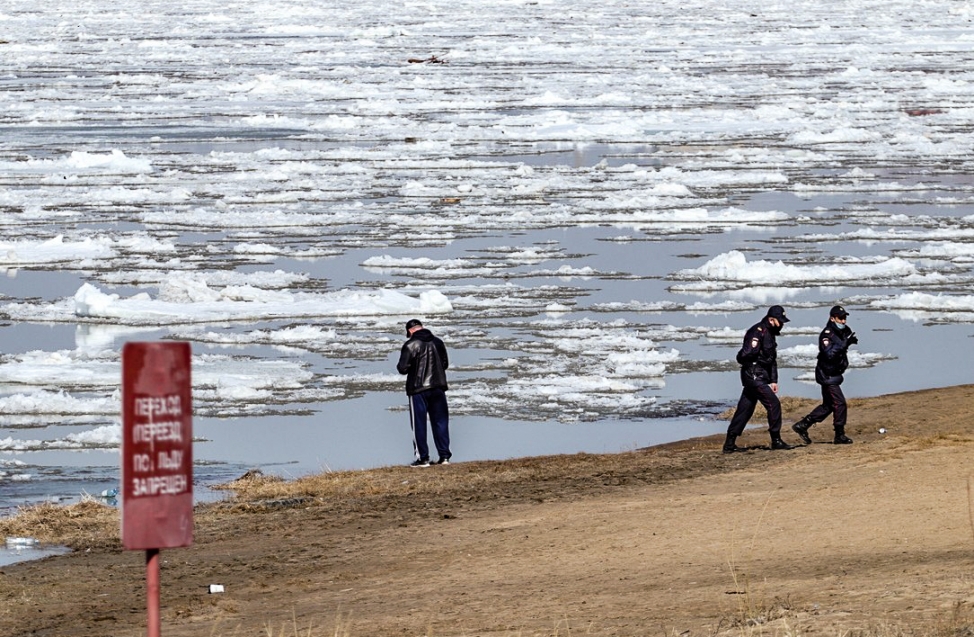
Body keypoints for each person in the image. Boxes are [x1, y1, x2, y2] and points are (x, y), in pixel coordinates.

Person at [723, 305, 795, 454]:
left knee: (745, 409)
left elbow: (772, 359)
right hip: (754, 375)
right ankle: (776, 440)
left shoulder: (770, 333)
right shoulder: (758, 331)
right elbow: (746, 353)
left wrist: (774, 380)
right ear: (771, 319)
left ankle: (729, 444)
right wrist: (753, 363)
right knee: (773, 404)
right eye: (779, 321)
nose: (781, 324)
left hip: (759, 375)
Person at [792, 305, 857, 445]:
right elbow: (829, 354)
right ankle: (839, 435)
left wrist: (847, 342)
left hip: (834, 373)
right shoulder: (827, 334)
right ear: (832, 318)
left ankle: (802, 425)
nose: (843, 321)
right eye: (840, 318)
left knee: (829, 405)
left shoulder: (844, 331)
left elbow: (841, 348)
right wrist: (845, 344)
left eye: (845, 318)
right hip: (826, 374)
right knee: (839, 403)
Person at [396, 318, 452, 467]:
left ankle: (423, 459)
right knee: (440, 422)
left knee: (419, 424)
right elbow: (445, 364)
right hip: (438, 386)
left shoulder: (410, 345)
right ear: (422, 327)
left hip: (418, 388)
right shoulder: (438, 342)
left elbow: (402, 368)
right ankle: (444, 456)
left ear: (409, 331)